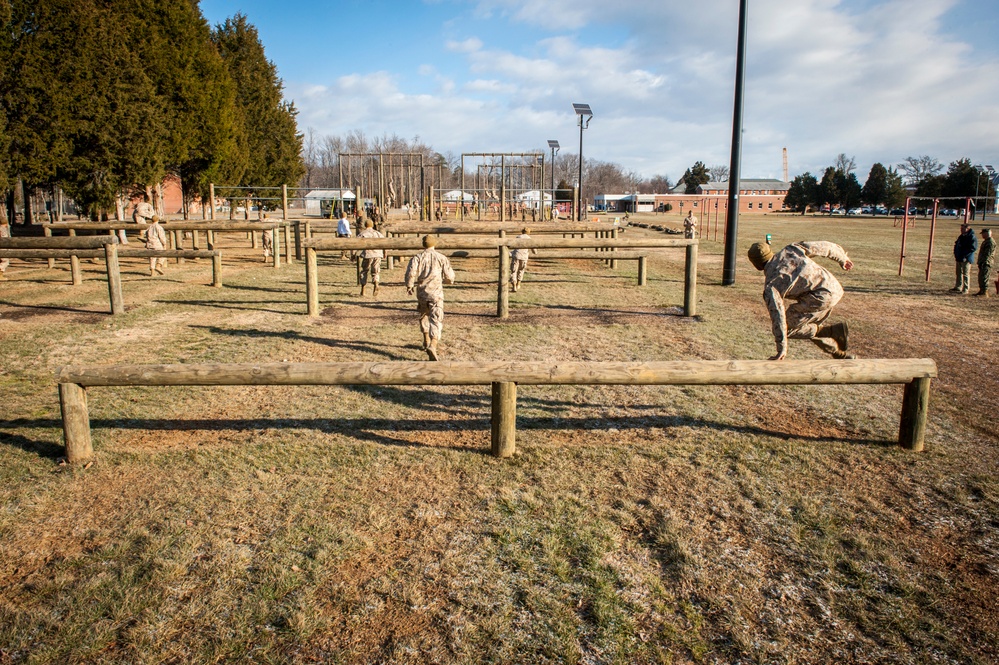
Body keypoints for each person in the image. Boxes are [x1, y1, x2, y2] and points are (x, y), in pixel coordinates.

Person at [748, 241, 855, 361]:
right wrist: (843, 258)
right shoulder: (792, 249)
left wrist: (781, 348)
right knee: (803, 324)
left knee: (788, 328)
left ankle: (830, 331)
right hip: (834, 287)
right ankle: (839, 353)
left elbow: (778, 317)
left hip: (819, 298)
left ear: (756, 265)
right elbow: (824, 247)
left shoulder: (772, 284)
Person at [404, 235, 455, 361]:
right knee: (436, 318)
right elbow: (449, 276)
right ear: (434, 244)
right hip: (436, 293)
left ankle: (425, 339)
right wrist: (449, 280)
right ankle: (433, 343)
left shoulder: (417, 258)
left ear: (423, 244)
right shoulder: (441, 257)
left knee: (423, 315)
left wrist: (409, 285)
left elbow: (411, 272)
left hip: (422, 293)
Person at [357, 220, 384, 297]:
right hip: (378, 254)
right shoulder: (378, 233)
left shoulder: (363, 234)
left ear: (365, 225)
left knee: (364, 271)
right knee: (376, 271)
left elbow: (356, 243)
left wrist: (354, 254)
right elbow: (384, 242)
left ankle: (363, 289)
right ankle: (376, 283)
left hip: (368, 254)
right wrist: (385, 253)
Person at [951, 222, 978, 294]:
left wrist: (965, 255)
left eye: (963, 228)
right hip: (959, 257)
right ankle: (958, 287)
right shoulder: (961, 236)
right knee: (958, 272)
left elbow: (972, 248)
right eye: (961, 228)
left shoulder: (971, 237)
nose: (961, 230)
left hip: (966, 258)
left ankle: (966, 288)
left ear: (967, 229)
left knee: (965, 274)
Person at [510, 227, 538, 292]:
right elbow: (534, 250)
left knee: (514, 271)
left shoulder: (518, 237)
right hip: (524, 257)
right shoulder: (529, 239)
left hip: (516, 255)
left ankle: (514, 285)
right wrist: (535, 252)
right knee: (521, 270)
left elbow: (513, 246)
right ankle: (518, 284)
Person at [975, 228, 995, 297]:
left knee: (984, 277)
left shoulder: (990, 242)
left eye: (983, 233)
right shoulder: (986, 241)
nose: (982, 235)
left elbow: (987, 254)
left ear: (987, 233)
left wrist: (983, 262)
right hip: (982, 262)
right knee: (981, 277)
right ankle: (981, 291)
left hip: (986, 263)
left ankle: (984, 292)